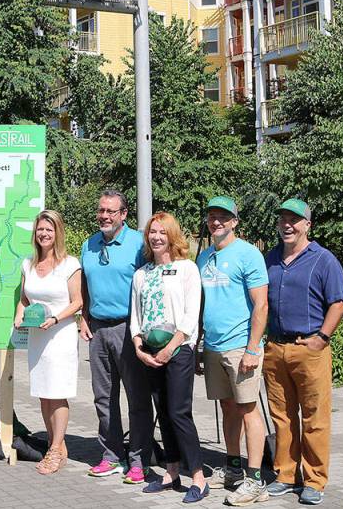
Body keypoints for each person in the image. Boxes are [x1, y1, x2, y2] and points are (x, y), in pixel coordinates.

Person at [263, 199, 343, 506]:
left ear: (307, 225)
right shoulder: (270, 258)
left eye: (294, 220)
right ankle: (286, 475)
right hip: (275, 348)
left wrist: (322, 338)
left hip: (309, 348)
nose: (287, 224)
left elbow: (338, 301)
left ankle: (314, 480)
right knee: (282, 417)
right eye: (283, 219)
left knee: (314, 417)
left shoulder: (323, 259)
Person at [196, 196, 269, 506]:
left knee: (248, 409)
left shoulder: (248, 254)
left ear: (235, 221)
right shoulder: (203, 257)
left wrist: (253, 349)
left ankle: (255, 481)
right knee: (228, 408)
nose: (217, 221)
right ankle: (233, 468)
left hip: (242, 347)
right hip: (213, 347)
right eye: (212, 216)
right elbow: (200, 306)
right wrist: (199, 344)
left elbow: (261, 305)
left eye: (223, 217)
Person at [130, 212, 208, 502]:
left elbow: (190, 316)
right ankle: (171, 471)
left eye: (162, 232)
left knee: (178, 412)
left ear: (172, 235)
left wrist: (170, 348)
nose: (157, 237)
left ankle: (198, 478)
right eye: (152, 232)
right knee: (162, 411)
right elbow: (135, 318)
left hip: (178, 351)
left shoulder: (187, 269)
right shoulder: (142, 273)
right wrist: (139, 348)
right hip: (149, 353)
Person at [79, 189, 151, 484]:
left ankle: (139, 459)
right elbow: (83, 282)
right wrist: (83, 317)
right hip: (97, 328)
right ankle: (111, 455)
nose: (104, 216)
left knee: (137, 399)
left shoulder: (138, 244)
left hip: (129, 329)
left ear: (124, 214)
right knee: (103, 398)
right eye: (101, 210)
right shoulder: (90, 243)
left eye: (111, 211)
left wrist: (142, 331)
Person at [13, 210, 82, 475]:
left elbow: (77, 302)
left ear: (58, 233)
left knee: (57, 392)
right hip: (37, 337)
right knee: (43, 393)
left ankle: (54, 450)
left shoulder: (70, 264)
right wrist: (20, 313)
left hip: (60, 334)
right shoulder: (28, 265)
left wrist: (55, 318)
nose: (44, 234)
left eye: (49, 230)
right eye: (40, 229)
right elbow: (24, 299)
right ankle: (58, 447)